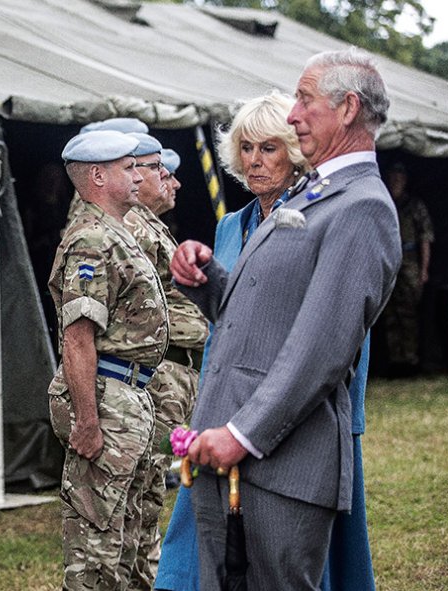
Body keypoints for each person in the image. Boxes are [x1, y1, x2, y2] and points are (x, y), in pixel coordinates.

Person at [169, 49, 400, 590]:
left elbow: (321, 349)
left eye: (304, 99)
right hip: (224, 446)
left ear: (347, 108)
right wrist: (208, 283)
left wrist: (243, 435)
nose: (293, 115)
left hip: (279, 465)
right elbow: (265, 312)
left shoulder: (361, 205)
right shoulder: (312, 193)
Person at [48, 129, 169, 590]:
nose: (140, 176)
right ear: (98, 176)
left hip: (131, 394)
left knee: (131, 536)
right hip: (107, 397)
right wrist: (87, 419)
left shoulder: (118, 232)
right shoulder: (91, 242)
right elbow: (77, 339)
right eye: (128, 168)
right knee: (96, 550)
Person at [121, 138, 208, 590]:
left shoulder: (154, 227)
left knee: (153, 485)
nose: (173, 182)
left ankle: (148, 574)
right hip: (160, 371)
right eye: (162, 171)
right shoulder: (134, 228)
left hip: (178, 368)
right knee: (147, 487)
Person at [380, 161, 434, 376]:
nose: (395, 182)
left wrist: (424, 269)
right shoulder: (383, 203)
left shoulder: (414, 205)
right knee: (390, 313)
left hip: (410, 260)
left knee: (409, 312)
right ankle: (396, 361)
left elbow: (426, 237)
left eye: (399, 178)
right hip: (389, 259)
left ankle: (411, 359)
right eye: (392, 177)